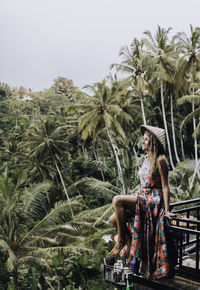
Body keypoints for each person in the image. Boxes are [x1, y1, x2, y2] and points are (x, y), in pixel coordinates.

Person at [109, 125, 179, 279]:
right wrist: (138, 193)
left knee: (117, 200)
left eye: (146, 139)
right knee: (113, 219)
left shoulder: (161, 160)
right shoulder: (146, 158)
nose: (143, 141)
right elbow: (145, 182)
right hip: (144, 195)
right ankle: (131, 244)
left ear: (152, 142)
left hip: (153, 200)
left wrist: (166, 210)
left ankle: (121, 241)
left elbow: (166, 187)